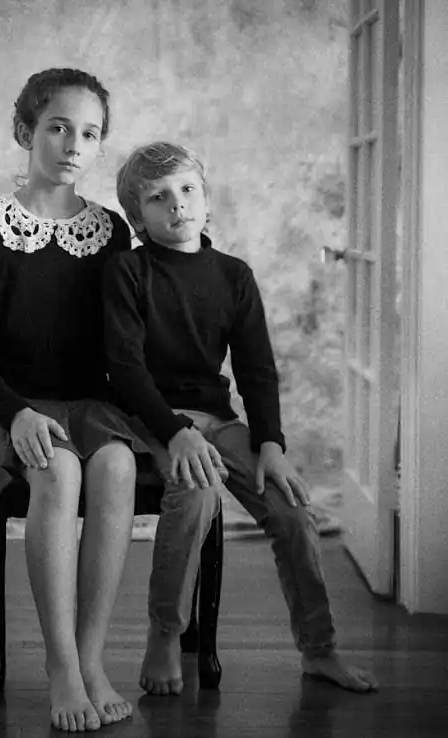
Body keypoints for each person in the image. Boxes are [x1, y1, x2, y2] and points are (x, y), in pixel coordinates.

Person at [104, 141, 380, 696]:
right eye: (158, 197)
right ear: (137, 217)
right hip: (149, 417)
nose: (177, 204)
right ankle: (165, 634)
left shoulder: (233, 275)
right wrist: (175, 432)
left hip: (216, 418)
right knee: (198, 490)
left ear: (207, 201)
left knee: (293, 510)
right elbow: (124, 369)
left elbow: (256, 368)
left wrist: (271, 443)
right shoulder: (127, 271)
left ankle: (319, 649)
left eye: (187, 190)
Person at [0, 68, 148, 732]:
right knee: (58, 470)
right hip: (9, 405)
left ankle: (91, 658)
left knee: (117, 465)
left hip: (88, 404)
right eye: (58, 127)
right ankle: (61, 664)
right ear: (24, 130)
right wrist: (15, 412)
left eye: (89, 134)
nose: (73, 145)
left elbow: (124, 344)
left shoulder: (110, 231)